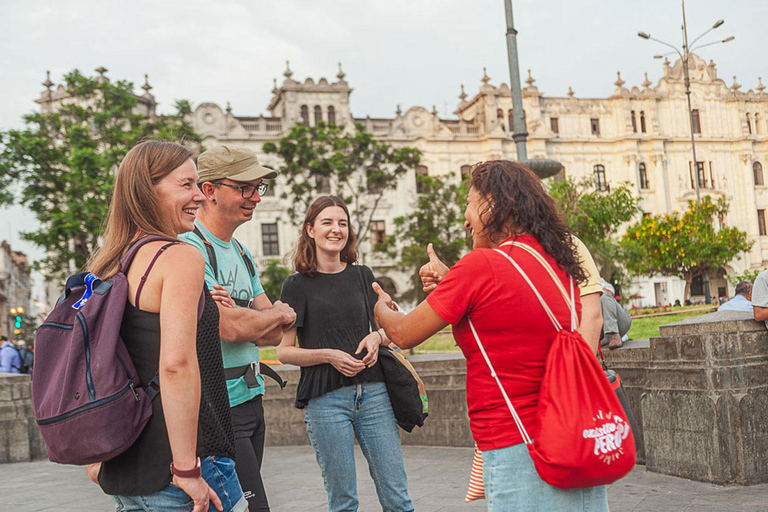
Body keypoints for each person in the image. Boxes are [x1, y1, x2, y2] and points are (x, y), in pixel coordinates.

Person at [372, 160, 609, 511]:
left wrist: (375, 300)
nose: (465, 219)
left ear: (492, 204)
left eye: (469, 203)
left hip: (520, 445)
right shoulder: (554, 260)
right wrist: (453, 280)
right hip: (573, 434)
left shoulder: (479, 267)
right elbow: (505, 310)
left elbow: (403, 332)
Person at [87, 140, 246, 512]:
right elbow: (175, 366)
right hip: (186, 464)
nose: (200, 197)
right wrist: (187, 468)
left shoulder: (110, 263)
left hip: (125, 465)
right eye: (186, 185)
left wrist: (93, 455)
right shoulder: (178, 257)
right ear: (147, 189)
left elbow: (91, 364)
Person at [277, 195, 414, 512]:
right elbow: (284, 352)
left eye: (342, 223)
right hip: (326, 401)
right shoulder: (296, 285)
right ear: (310, 229)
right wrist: (328, 355)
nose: (336, 229)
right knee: (343, 501)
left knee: (398, 496)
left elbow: (396, 329)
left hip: (376, 395)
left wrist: (377, 337)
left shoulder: (363, 275)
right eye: (327, 222)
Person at [180, 145, 296, 512]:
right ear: (209, 191)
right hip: (218, 406)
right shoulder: (190, 248)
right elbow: (230, 328)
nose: (254, 198)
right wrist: (273, 313)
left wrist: (259, 318)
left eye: (258, 188)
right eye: (245, 187)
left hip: (251, 399)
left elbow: (273, 335)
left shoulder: (242, 252)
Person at [600, 279, 632, 349]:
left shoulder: (591, 276)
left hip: (619, 322)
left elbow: (610, 290)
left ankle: (613, 334)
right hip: (598, 334)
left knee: (603, 294)